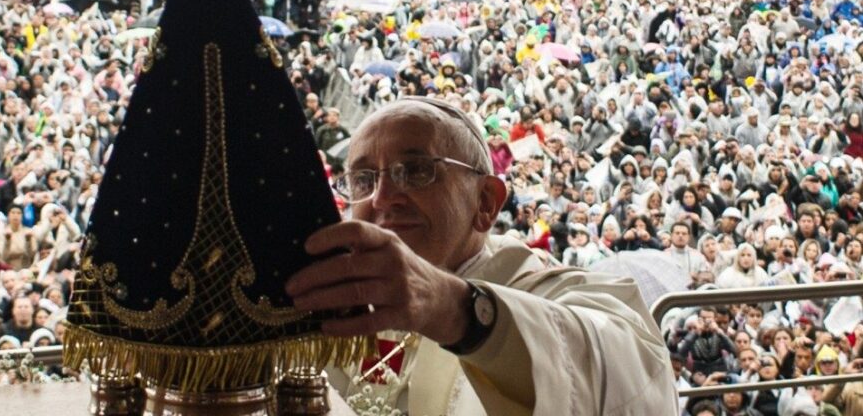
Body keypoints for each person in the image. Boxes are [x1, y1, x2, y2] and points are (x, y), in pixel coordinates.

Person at [287, 97, 676, 414]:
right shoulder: (334, 294)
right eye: (363, 179)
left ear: (486, 202)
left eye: (416, 170)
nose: (382, 198)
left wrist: (454, 310)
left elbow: (634, 373)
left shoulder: (533, 285)